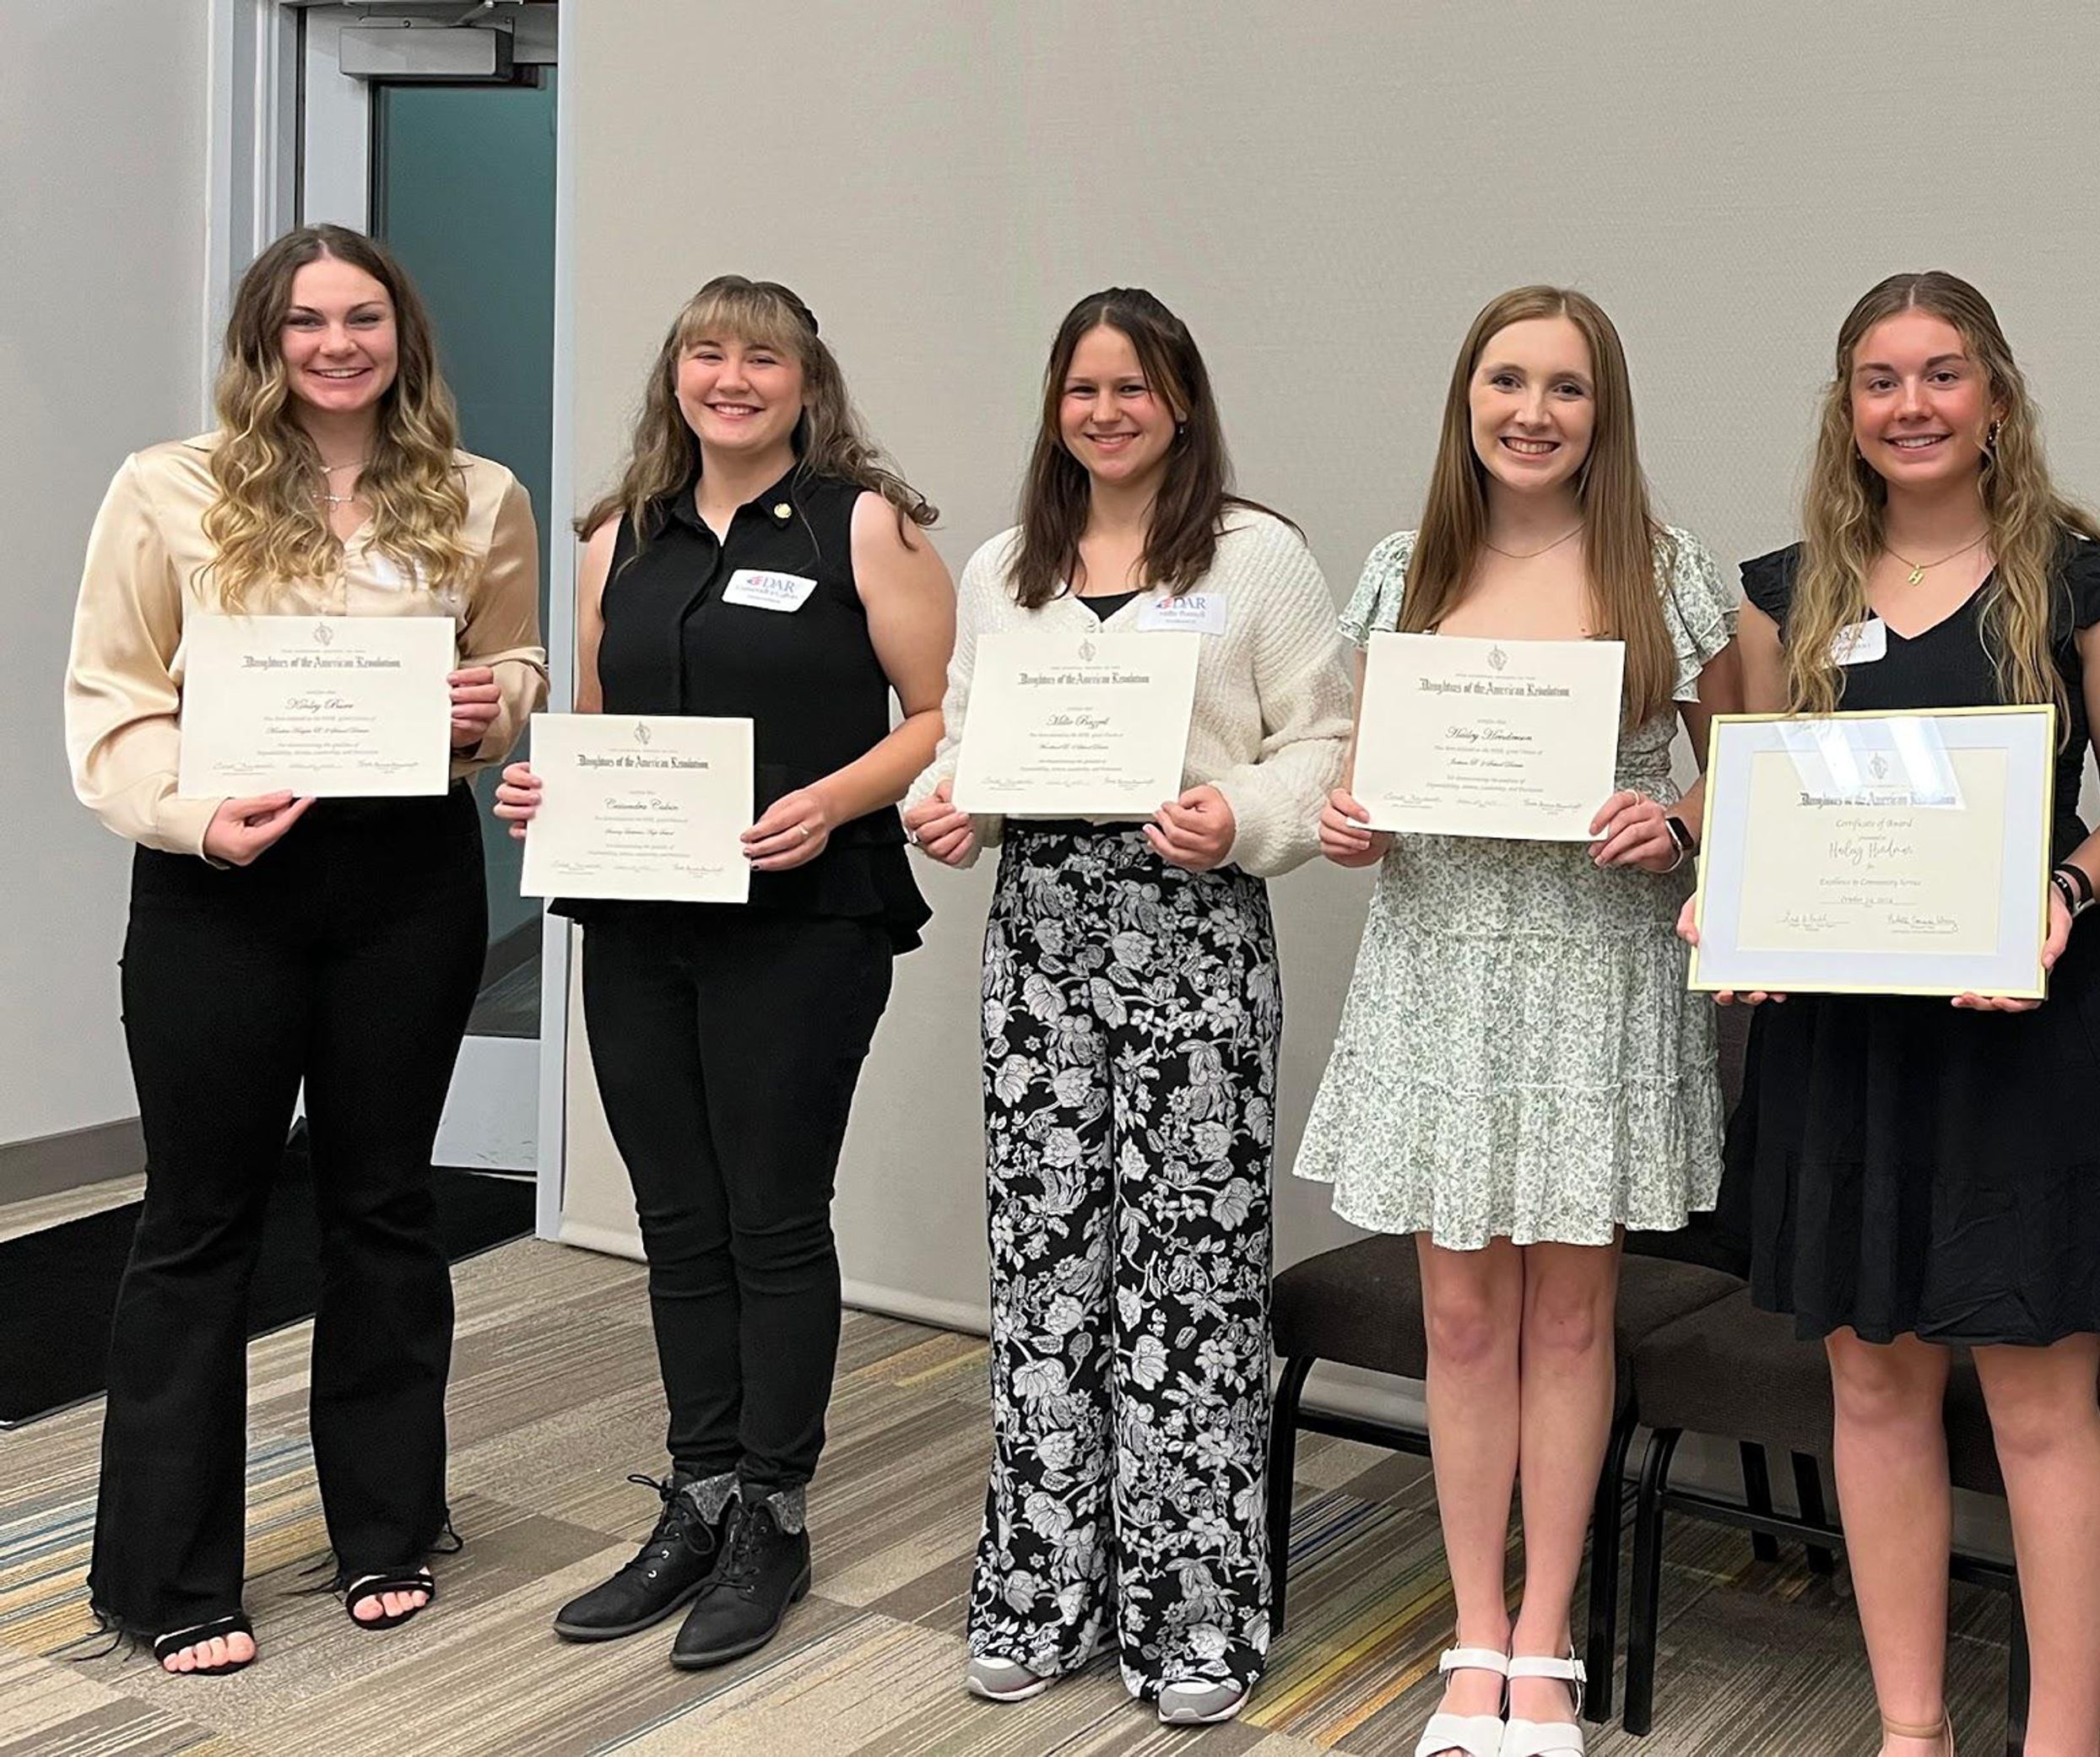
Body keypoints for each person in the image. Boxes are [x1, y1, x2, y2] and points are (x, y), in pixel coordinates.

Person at [1707, 270, 2100, 1757]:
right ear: (1845, 408)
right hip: (1846, 1043)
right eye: (1879, 379)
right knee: (1872, 1385)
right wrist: (1734, 891)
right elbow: (1754, 792)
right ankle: (1909, 1728)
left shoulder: (2097, 587)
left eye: (1941, 375)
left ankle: (2063, 1742)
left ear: (1995, 397)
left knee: (2042, 1406)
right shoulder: (1781, 591)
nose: (1910, 406)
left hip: (2020, 1032)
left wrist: (2057, 885)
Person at [63, 222, 544, 1674]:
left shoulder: (477, 496)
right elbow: (112, 693)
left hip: (406, 880)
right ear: (264, 340)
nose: (338, 345)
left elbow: (513, 659)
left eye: (366, 319)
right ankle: (168, 1571)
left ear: (405, 339)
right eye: (308, 321)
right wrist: (199, 818)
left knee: (385, 1207)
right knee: (199, 1222)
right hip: (222, 883)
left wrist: (493, 708)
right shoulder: (170, 488)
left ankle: (387, 1525)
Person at [899, 288, 1350, 1722]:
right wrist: (944, 803)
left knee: (1194, 1277)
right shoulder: (1001, 568)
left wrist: (1246, 814)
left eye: (1134, 389)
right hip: (1038, 943)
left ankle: (1194, 1612)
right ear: (1057, 407)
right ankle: (1039, 1591)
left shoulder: (1257, 557)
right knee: (1046, 1270)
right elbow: (968, 735)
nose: (1107, 411)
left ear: (1182, 402)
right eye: (1084, 389)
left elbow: (1327, 742)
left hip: (1195, 933)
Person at [1295, 284, 1734, 1757]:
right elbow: (1365, 773)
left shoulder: (1666, 571)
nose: (1531, 412)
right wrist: (1353, 824)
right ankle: (1470, 1628)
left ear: (1604, 412)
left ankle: (1546, 1637)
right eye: (1505, 381)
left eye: (1565, 387)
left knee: (1575, 1315)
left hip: (1593, 976)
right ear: (1466, 398)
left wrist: (1676, 820)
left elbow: (1752, 771)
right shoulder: (1398, 566)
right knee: (1463, 1321)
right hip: (1439, 978)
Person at [495, 275, 952, 1673]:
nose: (732, 377)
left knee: (771, 1213)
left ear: (806, 380)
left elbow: (942, 717)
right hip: (642, 916)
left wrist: (831, 798)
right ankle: (696, 1497)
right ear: (675, 375)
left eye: (762, 357)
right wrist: (542, 792)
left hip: (805, 916)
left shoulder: (867, 524)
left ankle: (775, 1511)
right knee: (674, 1215)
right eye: (708, 352)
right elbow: (594, 716)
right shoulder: (608, 537)